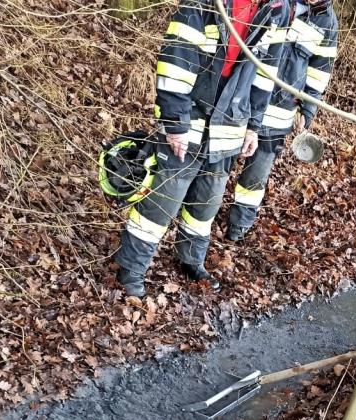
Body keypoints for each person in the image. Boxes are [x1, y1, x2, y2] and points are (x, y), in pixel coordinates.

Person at [112, 0, 291, 297]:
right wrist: (175, 123)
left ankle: (190, 260)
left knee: (206, 202)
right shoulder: (205, 3)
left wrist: (253, 125)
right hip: (190, 118)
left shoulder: (277, 9)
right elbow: (176, 59)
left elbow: (265, 73)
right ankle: (131, 269)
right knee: (162, 200)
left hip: (231, 124)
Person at [225, 0, 338, 242]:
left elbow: (319, 74)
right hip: (242, 101)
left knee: (256, 176)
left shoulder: (327, 22)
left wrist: (307, 111)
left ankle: (238, 226)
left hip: (279, 114)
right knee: (221, 162)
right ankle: (203, 208)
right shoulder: (278, 3)